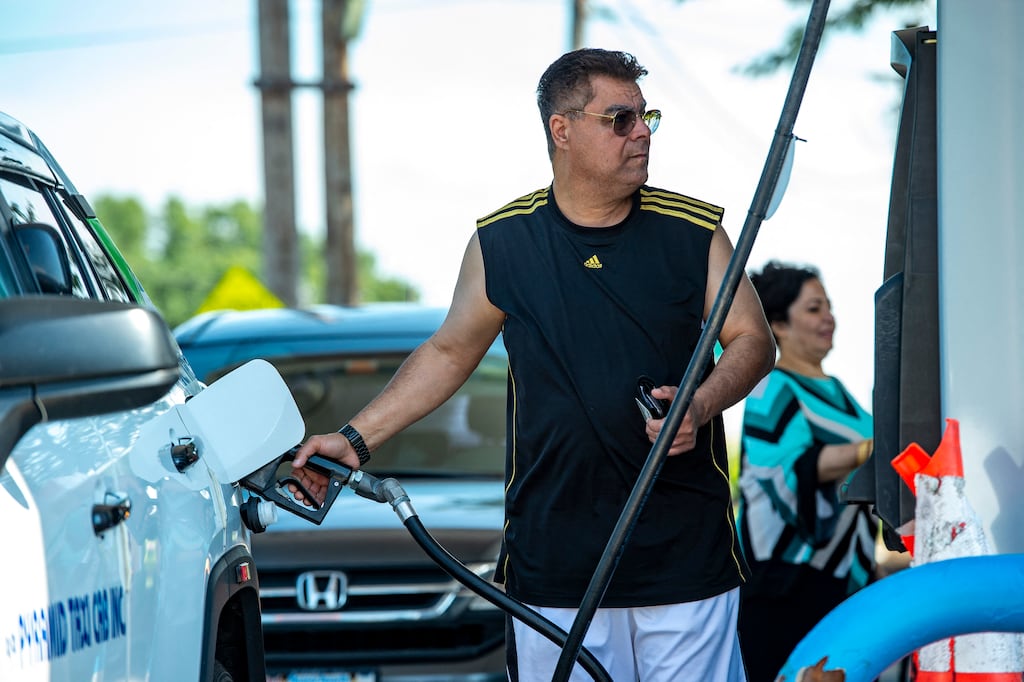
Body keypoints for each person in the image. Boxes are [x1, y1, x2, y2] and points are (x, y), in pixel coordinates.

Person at [290, 48, 775, 682]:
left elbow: (754, 341)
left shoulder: (693, 231)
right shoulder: (503, 242)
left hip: (683, 556)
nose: (643, 133)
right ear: (562, 130)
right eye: (621, 119)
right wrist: (355, 439)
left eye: (646, 116)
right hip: (553, 558)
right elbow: (447, 352)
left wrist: (700, 403)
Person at [736, 261, 876, 682]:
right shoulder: (771, 386)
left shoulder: (842, 394)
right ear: (778, 323)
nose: (829, 317)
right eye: (815, 308)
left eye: (829, 306)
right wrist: (873, 448)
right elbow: (788, 471)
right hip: (784, 583)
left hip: (841, 580)